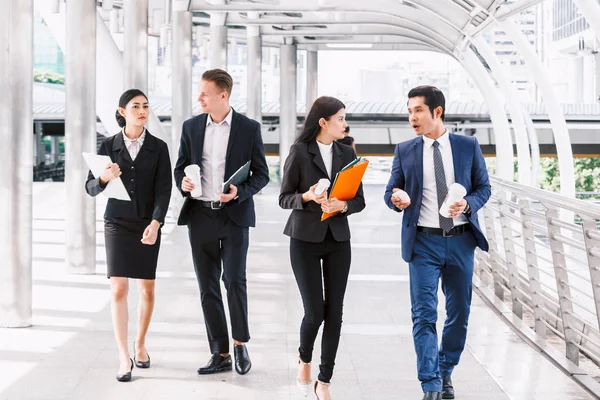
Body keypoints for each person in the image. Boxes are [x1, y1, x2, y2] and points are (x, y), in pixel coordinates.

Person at [383, 86, 491, 400]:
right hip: (423, 243)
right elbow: (392, 189)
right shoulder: (405, 150)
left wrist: (468, 204)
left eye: (418, 110)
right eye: (409, 111)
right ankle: (430, 384)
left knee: (459, 313)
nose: (412, 117)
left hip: (460, 242)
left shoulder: (467, 146)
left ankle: (445, 370)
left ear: (437, 112)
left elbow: (484, 187)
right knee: (424, 315)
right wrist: (397, 198)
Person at [174, 69, 269, 376]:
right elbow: (179, 169)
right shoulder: (190, 127)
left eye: (204, 93)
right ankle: (220, 351)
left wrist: (241, 192)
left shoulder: (248, 128)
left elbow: (262, 174)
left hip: (234, 216)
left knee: (234, 280)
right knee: (207, 286)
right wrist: (183, 184)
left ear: (223, 96)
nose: (199, 98)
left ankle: (240, 343)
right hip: (200, 214)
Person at [279, 96, 366, 400]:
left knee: (335, 312)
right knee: (314, 312)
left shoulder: (347, 153)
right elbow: (284, 198)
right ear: (323, 122)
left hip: (338, 240)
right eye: (340, 118)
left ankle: (324, 380)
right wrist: (308, 197)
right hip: (304, 239)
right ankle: (304, 358)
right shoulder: (299, 152)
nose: (345, 124)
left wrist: (343, 205)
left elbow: (360, 200)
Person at [85, 89, 172, 382]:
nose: (142, 110)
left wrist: (157, 222)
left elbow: (164, 190)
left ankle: (140, 343)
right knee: (118, 289)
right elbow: (90, 187)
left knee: (147, 289)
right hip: (117, 223)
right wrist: (104, 177)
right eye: (135, 106)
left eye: (146, 106)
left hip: (148, 223)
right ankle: (124, 356)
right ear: (122, 111)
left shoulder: (159, 147)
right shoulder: (108, 145)